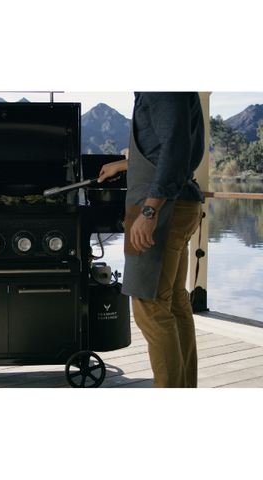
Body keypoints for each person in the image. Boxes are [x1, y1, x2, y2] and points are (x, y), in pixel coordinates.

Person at [98, 92, 205, 388]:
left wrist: (149, 210)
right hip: (177, 202)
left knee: (150, 305)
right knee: (175, 303)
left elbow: (175, 148)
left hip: (158, 208)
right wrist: (123, 165)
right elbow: (163, 150)